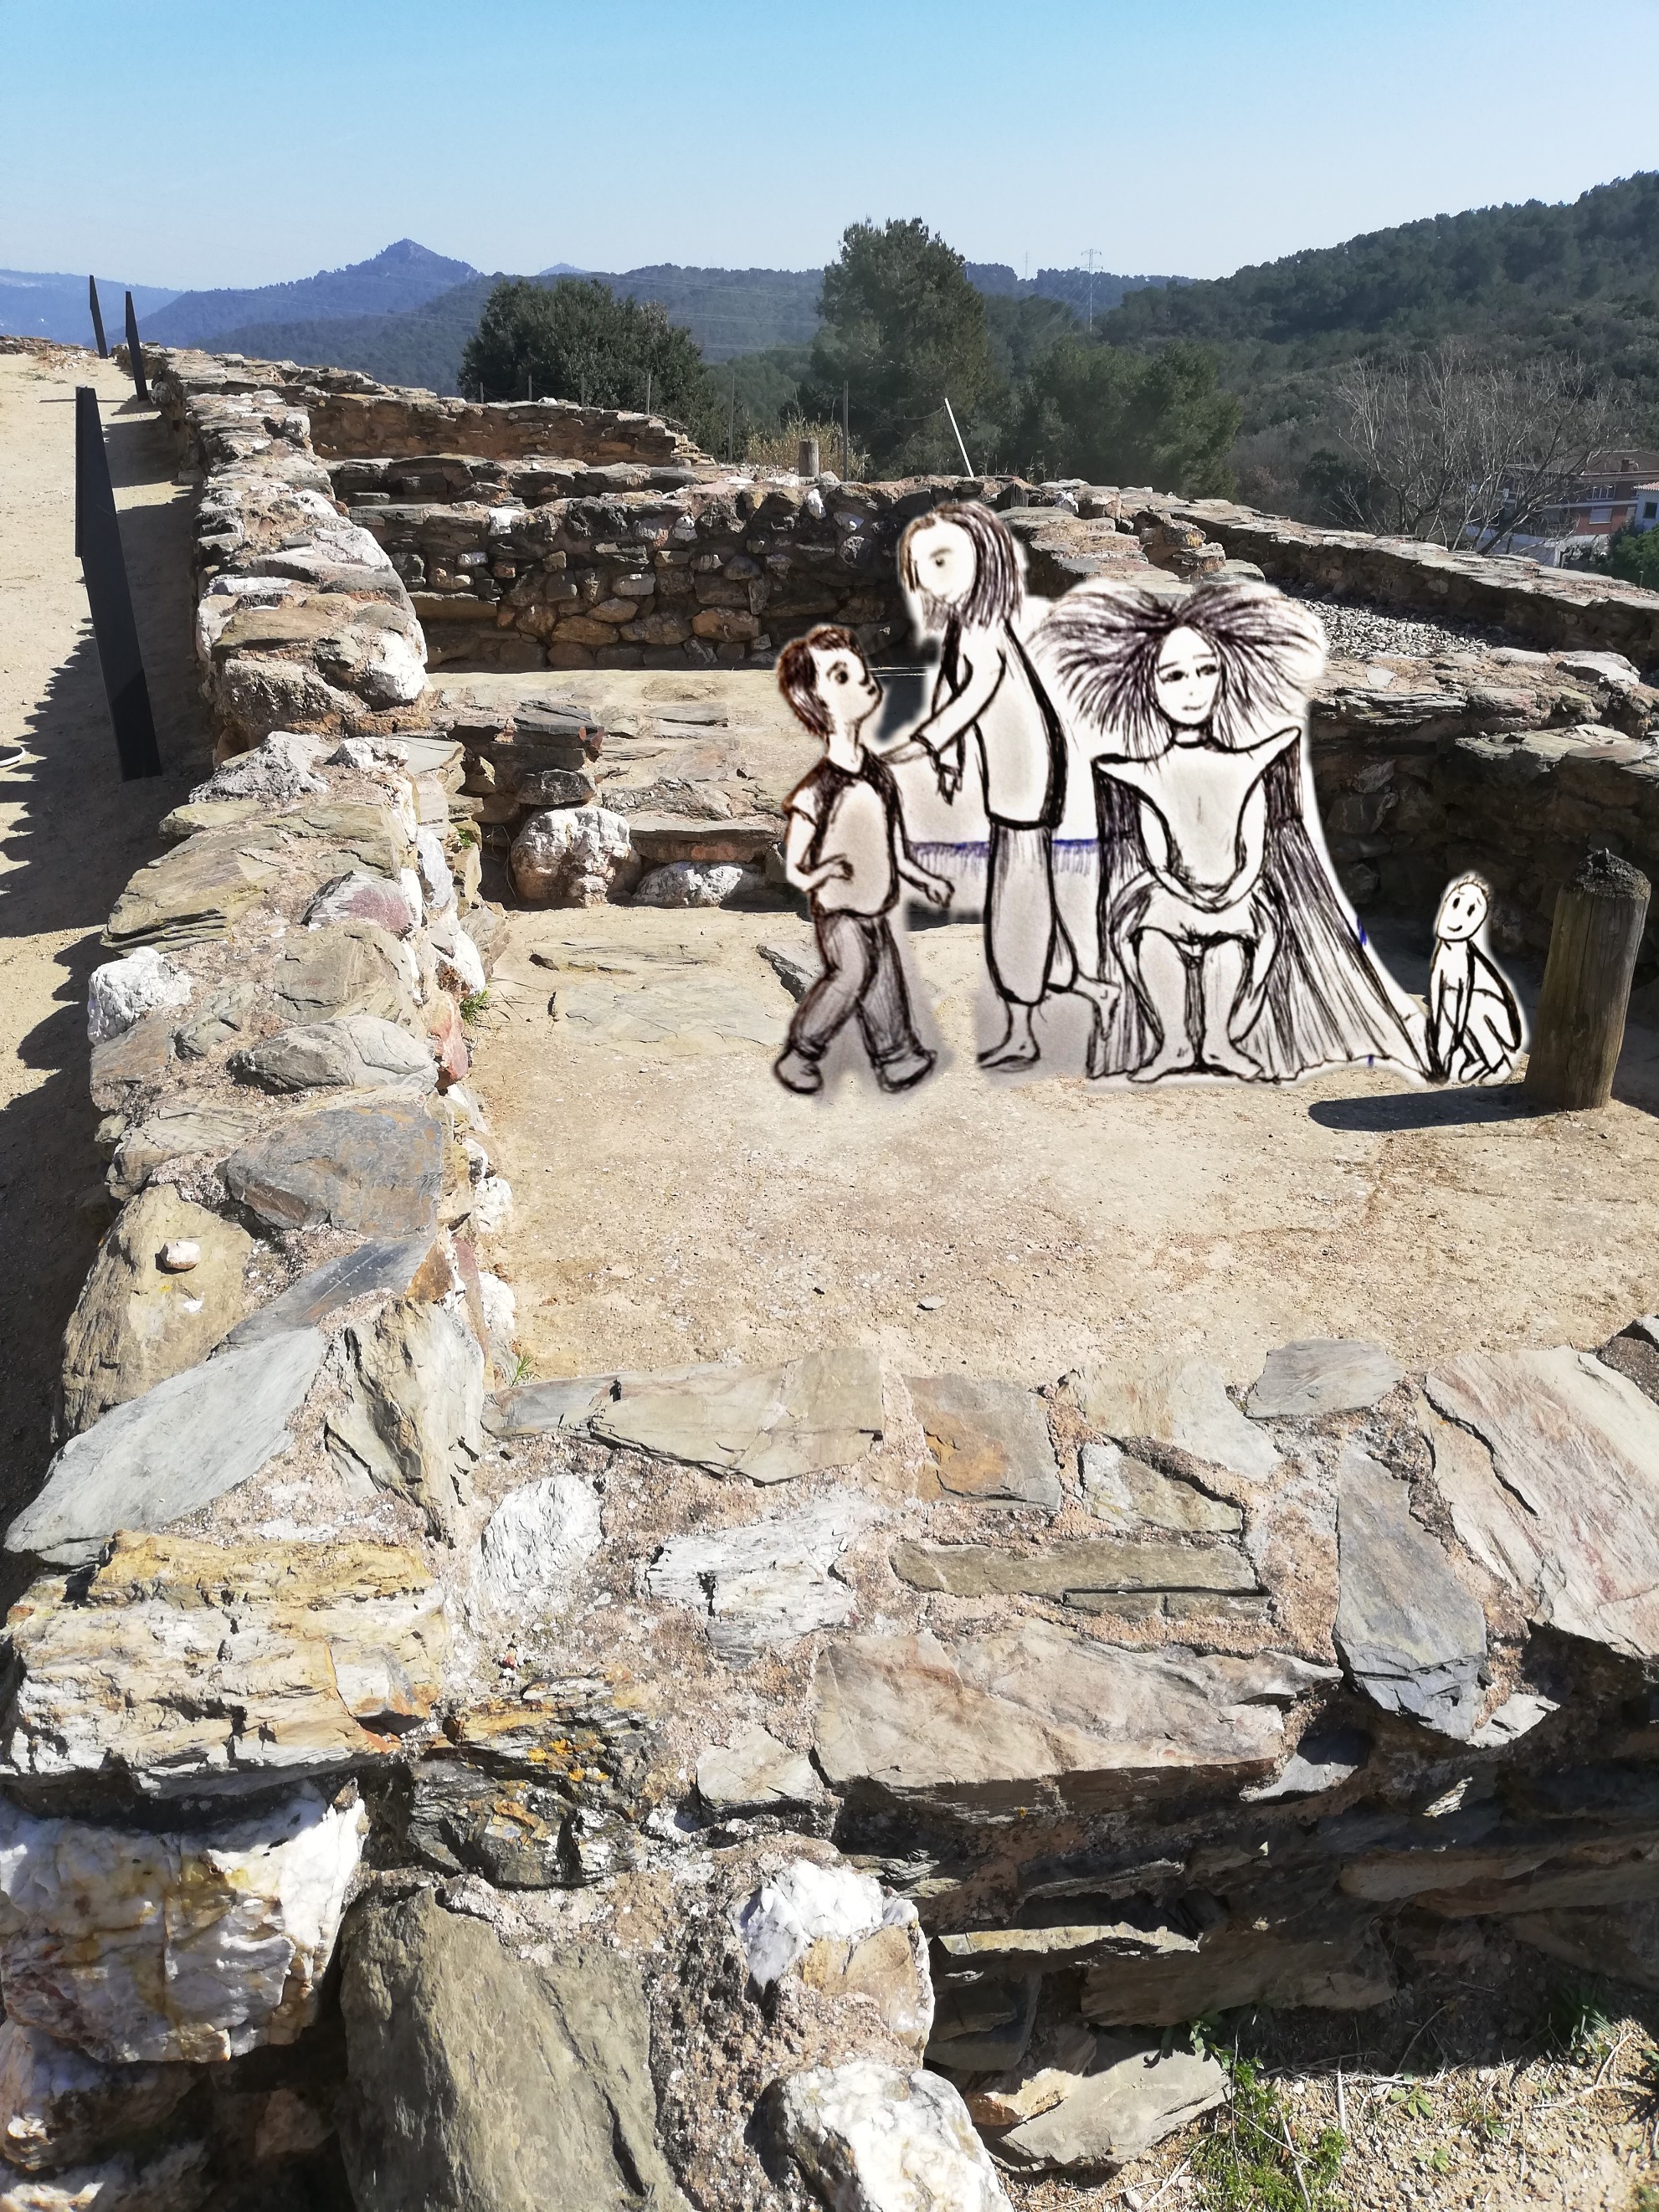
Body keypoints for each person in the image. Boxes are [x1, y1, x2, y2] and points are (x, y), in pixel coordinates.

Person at [1039, 577, 1426, 1083]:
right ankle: (1173, 1043)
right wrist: (1180, 890)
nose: (1194, 687)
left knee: (1232, 939)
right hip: (1172, 889)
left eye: (1207, 670)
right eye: (1174, 676)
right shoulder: (1139, 770)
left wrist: (1235, 890)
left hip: (1236, 890)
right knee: (1151, 935)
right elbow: (1153, 849)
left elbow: (1256, 838)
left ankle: (1219, 1041)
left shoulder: (1248, 762)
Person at [892, 503, 1116, 1071]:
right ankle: (1076, 976)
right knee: (1035, 880)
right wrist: (949, 758)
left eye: (943, 560)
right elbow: (956, 692)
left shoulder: (980, 632)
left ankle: (1021, 1026)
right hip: (1031, 773)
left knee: (1018, 893)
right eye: (924, 564)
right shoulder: (977, 624)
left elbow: (969, 699)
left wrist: (916, 747)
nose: (930, 577)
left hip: (1023, 785)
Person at [773, 625, 952, 1096]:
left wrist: (922, 878)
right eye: (841, 676)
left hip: (877, 901)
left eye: (857, 669)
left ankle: (897, 1056)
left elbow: (893, 845)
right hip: (839, 910)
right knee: (852, 973)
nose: (862, 678)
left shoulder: (879, 774)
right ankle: (801, 1053)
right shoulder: (818, 789)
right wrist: (822, 872)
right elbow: (796, 866)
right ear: (817, 704)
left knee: (884, 977)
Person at [1428, 872, 1523, 1084]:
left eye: (1471, 910)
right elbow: (1438, 997)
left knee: (1473, 1004)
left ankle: (1495, 1061)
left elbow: (1462, 1005)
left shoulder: (1465, 958)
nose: (1457, 915)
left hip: (1497, 1024)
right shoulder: (1445, 951)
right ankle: (1474, 1057)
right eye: (1455, 903)